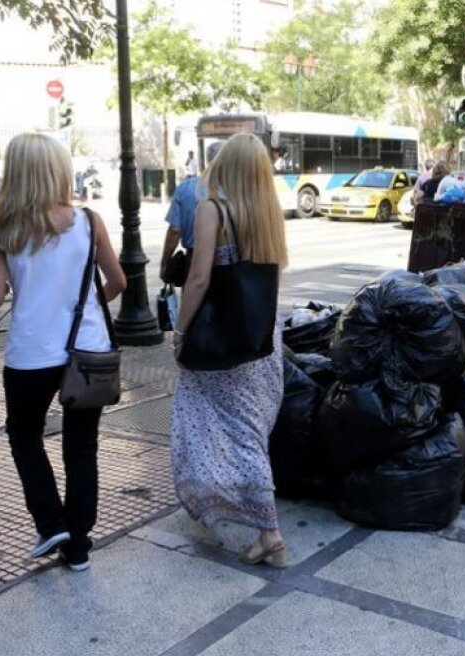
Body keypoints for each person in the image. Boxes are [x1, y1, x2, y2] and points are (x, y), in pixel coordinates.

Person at [0, 134, 127, 572]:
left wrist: (17, 285)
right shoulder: (88, 220)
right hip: (88, 351)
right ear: (59, 170)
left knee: (24, 435)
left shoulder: (0, 227)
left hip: (31, 354)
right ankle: (77, 545)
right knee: (82, 448)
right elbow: (117, 282)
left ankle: (50, 521)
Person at [170, 132, 290, 568]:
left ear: (225, 166)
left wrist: (180, 332)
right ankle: (251, 520)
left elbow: (199, 279)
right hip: (259, 337)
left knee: (217, 426)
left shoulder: (212, 209)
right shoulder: (268, 213)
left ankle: (267, 529)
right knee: (250, 431)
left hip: (220, 339)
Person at [161, 142, 224, 284]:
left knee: (192, 303)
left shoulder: (185, 189)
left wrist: (165, 263)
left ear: (207, 160)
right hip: (227, 265)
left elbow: (174, 231)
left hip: (193, 263)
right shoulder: (236, 190)